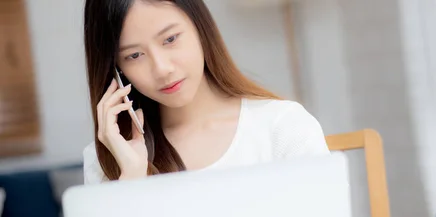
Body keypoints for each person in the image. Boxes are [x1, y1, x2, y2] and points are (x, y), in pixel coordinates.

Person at [82, 0, 330, 184]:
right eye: (134, 55)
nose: (162, 69)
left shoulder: (282, 127)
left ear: (201, 29)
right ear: (116, 70)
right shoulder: (108, 158)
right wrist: (132, 180)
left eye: (170, 39)